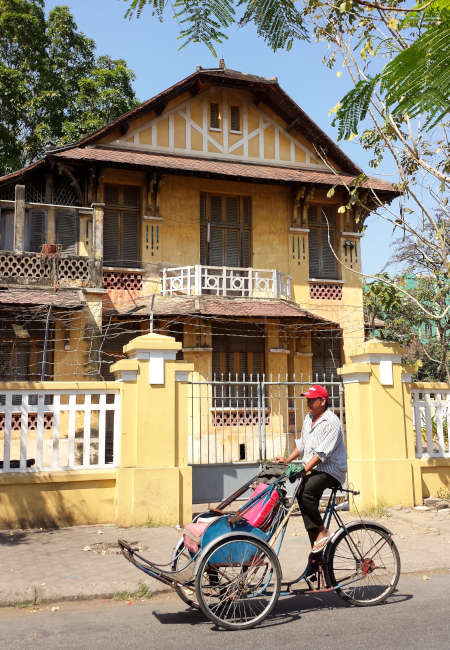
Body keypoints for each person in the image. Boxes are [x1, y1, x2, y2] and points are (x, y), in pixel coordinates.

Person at [275, 384, 347, 553]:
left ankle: (322, 531)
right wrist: (287, 460)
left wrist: (305, 468)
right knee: (301, 494)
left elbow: (322, 453)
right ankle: (315, 543)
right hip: (316, 468)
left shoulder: (332, 422)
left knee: (306, 492)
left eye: (311, 400)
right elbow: (302, 445)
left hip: (331, 470)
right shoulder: (309, 418)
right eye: (307, 399)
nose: (308, 403)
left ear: (322, 401)